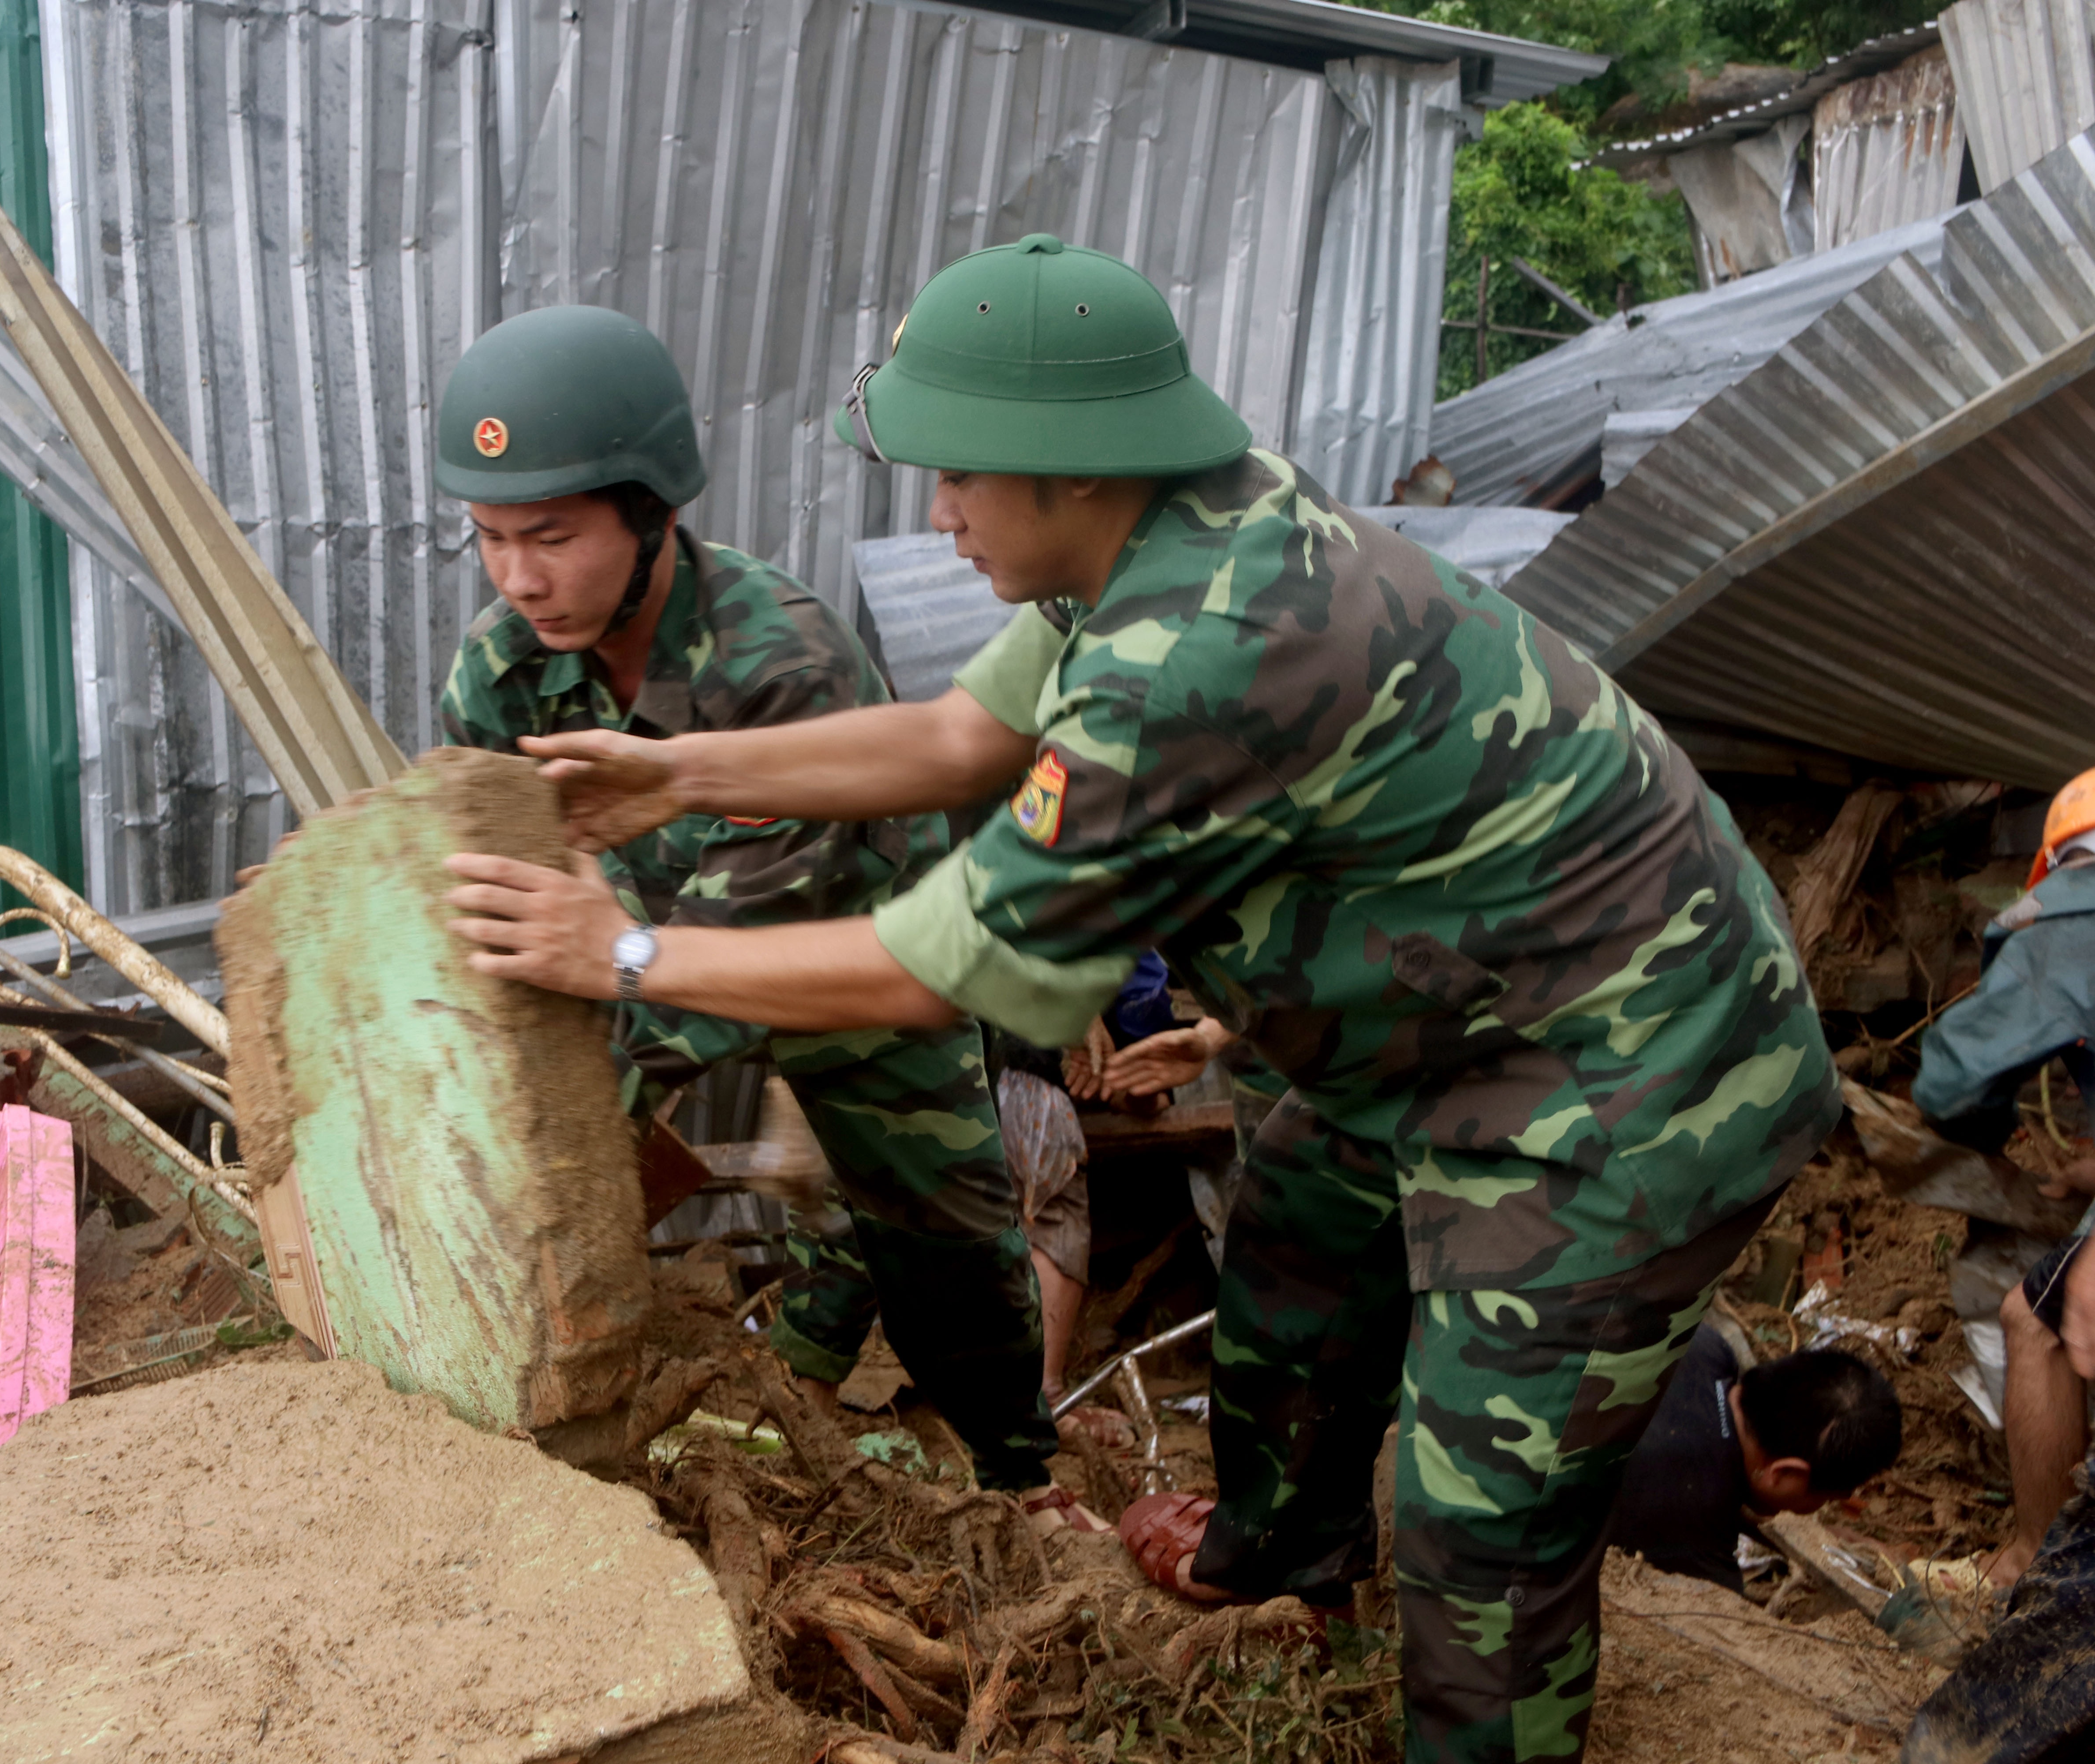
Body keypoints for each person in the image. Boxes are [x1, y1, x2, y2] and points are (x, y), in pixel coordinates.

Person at [439, 235, 1837, 1762]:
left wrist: (623, 955)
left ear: (1071, 466)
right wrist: (680, 770)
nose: (939, 513)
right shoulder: (1164, 534)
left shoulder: (1201, 648)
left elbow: (938, 964)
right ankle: (1278, 1560)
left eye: (963, 475)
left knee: (1485, 1538)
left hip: (1631, 1075)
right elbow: (967, 737)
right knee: (1302, 1232)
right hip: (1448, 1034)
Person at [426, 303, 1074, 1516]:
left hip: (849, 959)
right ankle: (773, 1393)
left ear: (653, 510)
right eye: (490, 539)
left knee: (940, 1236)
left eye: (554, 537)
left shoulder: (784, 659)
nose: (521, 579)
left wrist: (579, 1087)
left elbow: (727, 964)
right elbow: (492, 875)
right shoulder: (501, 670)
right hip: (620, 953)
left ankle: (1019, 1480)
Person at [1910, 768, 2095, 1589]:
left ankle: (2036, 1563)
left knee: (2039, 1320)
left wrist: (1980, 1143)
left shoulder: (2073, 912)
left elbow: (1955, 1080)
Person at [1604, 1327, 1901, 1590]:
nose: (1818, 1509)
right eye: (1826, 1499)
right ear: (1783, 1473)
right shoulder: (1695, 1527)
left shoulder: (1703, 1344)